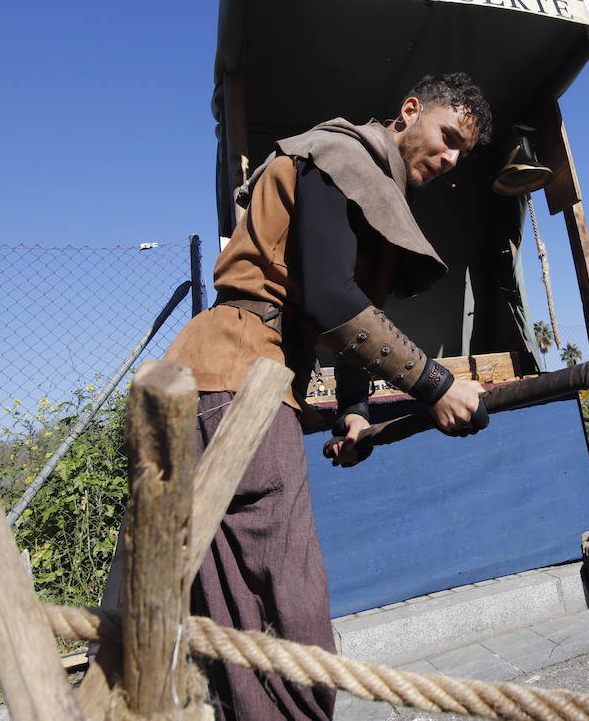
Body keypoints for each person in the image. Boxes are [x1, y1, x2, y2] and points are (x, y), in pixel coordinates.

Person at [165, 72, 494, 721]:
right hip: (235, 385)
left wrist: (356, 409)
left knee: (245, 624)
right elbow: (329, 301)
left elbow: (349, 320)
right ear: (409, 112)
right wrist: (435, 384)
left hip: (234, 388)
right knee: (285, 628)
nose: (452, 157)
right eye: (448, 136)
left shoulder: (368, 186)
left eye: (464, 152)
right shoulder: (336, 156)